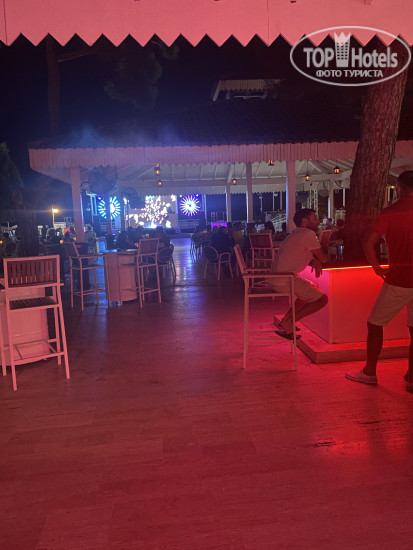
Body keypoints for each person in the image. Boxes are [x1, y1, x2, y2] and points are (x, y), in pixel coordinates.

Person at [345, 170, 413, 391]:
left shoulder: (391, 212)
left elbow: (368, 242)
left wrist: (377, 268)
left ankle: (370, 372)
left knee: (375, 324)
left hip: (399, 279)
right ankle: (412, 377)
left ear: (399, 189)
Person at [271, 208, 328, 340]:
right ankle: (289, 322)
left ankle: (286, 320)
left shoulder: (297, 233)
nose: (318, 221)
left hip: (279, 278)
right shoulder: (308, 234)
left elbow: (305, 252)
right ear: (304, 221)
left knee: (311, 288)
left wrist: (314, 260)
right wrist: (324, 242)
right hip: (285, 279)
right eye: (315, 218)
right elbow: (324, 258)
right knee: (322, 299)